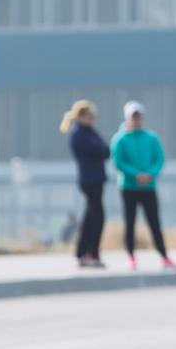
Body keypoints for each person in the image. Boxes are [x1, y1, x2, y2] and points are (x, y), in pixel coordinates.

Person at [110, 101, 176, 271]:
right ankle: (131, 256)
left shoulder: (151, 137)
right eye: (134, 117)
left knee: (154, 222)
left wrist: (150, 174)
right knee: (130, 222)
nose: (137, 119)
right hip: (128, 187)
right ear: (128, 118)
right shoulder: (120, 139)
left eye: (139, 116)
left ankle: (164, 256)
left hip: (148, 187)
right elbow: (118, 162)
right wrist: (135, 174)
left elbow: (159, 158)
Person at [60, 99, 109, 269]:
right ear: (81, 116)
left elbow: (106, 151)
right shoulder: (79, 134)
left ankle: (83, 252)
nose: (92, 119)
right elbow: (101, 150)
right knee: (98, 218)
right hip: (90, 180)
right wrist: (102, 150)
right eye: (89, 116)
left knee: (90, 218)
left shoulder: (89, 132)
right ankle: (91, 253)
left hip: (96, 179)